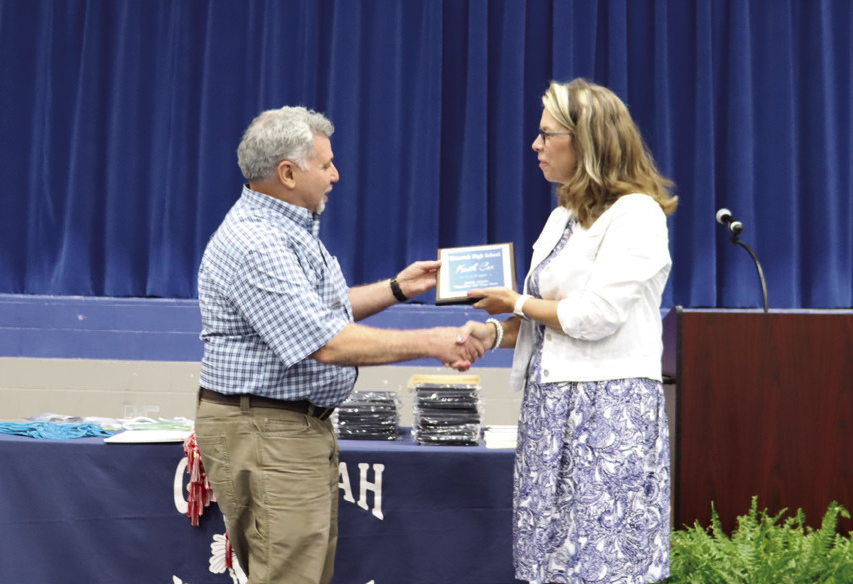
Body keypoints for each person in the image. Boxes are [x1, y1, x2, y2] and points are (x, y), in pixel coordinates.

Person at [194, 105, 486, 584]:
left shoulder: (286, 229)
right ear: (287, 173)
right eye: (325, 164)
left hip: (286, 428)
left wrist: (397, 288)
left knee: (302, 570)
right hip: (269, 432)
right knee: (289, 574)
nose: (336, 175)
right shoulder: (258, 242)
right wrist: (432, 341)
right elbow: (324, 341)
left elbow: (318, 312)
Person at [460, 79, 679, 584]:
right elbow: (546, 317)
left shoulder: (637, 214)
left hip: (607, 410)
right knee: (551, 556)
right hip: (551, 405)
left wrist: (514, 300)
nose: (535, 145)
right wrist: (494, 332)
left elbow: (595, 316)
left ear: (588, 141)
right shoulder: (562, 216)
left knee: (603, 560)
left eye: (546, 134)